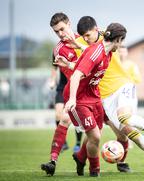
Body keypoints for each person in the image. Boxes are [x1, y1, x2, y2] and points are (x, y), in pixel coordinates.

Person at [64, 16, 144, 175]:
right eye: (121, 41)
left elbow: (98, 47)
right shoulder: (88, 46)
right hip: (104, 98)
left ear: (97, 30)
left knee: (124, 117)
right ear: (117, 40)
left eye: (89, 35)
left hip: (122, 85)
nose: (86, 38)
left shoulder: (103, 39)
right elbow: (84, 62)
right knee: (132, 135)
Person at [64, 22, 127, 177]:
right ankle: (94, 171)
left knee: (96, 132)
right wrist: (72, 99)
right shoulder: (97, 53)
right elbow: (77, 75)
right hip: (79, 98)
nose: (121, 45)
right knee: (96, 137)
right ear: (117, 40)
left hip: (94, 96)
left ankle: (80, 158)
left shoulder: (107, 53)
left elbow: (85, 63)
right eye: (122, 41)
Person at [40, 12, 85, 176]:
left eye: (62, 29)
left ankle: (121, 157)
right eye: (56, 32)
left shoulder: (85, 38)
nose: (60, 34)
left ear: (69, 24)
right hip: (76, 91)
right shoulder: (59, 50)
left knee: (116, 128)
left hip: (97, 91)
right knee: (64, 119)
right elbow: (72, 75)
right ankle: (53, 161)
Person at [49, 55, 82, 152]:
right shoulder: (58, 49)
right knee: (58, 114)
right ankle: (63, 143)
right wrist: (52, 80)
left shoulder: (79, 46)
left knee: (77, 116)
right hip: (62, 87)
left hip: (76, 86)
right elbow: (54, 66)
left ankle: (78, 143)